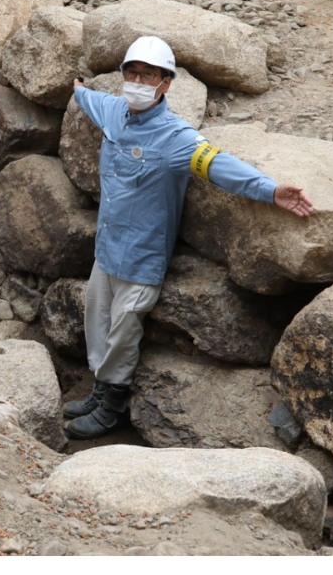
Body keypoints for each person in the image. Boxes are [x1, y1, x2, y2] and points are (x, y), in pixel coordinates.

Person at [60, 36, 314, 440]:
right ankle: (99, 391)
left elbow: (219, 165)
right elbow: (88, 100)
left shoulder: (177, 138)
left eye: (148, 75)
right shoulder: (112, 112)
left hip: (141, 258)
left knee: (123, 331)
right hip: (106, 250)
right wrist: (78, 89)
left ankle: (112, 407)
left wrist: (270, 190)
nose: (138, 81)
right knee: (97, 321)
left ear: (166, 83)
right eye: (132, 73)